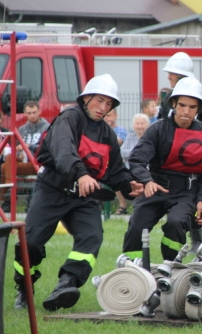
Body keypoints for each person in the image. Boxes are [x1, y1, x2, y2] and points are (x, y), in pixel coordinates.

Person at [12, 74, 144, 311]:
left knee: (92, 237)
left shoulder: (107, 135)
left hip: (84, 197)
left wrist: (129, 185)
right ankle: (24, 287)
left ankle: (66, 284)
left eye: (109, 104)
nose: (103, 108)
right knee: (29, 243)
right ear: (86, 98)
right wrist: (81, 174)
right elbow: (64, 151)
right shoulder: (69, 118)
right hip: (52, 189)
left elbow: (115, 171)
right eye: (99, 101)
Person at [122, 77, 202, 262]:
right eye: (182, 105)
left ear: (198, 108)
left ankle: (171, 267)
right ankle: (131, 271)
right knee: (136, 226)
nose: (186, 111)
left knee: (176, 223)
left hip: (186, 192)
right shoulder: (157, 130)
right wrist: (147, 180)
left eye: (192, 107)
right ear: (173, 103)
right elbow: (136, 159)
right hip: (155, 187)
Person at [0, 101, 50, 211]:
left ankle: (8, 200)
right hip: (24, 160)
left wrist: (28, 146)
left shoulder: (47, 128)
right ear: (24, 113)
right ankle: (9, 191)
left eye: (34, 112)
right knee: (8, 159)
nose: (32, 116)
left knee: (5, 168)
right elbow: (16, 148)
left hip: (37, 163)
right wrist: (19, 153)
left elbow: (46, 150)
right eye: (29, 113)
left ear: (39, 111)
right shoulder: (22, 129)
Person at [158, 52, 202, 130]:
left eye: (171, 73)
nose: (168, 77)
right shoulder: (169, 97)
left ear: (180, 75)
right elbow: (162, 124)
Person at [104, 108, 129, 214]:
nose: (106, 118)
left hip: (115, 162)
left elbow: (117, 143)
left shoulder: (121, 130)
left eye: (109, 115)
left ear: (115, 116)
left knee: (117, 178)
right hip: (101, 162)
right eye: (104, 116)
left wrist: (107, 129)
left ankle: (122, 206)